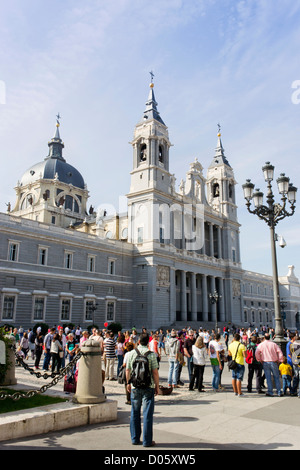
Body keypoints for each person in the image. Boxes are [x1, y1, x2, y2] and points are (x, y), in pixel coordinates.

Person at [126, 333, 159, 448]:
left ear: (138, 341)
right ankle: (147, 441)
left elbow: (127, 370)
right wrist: (157, 386)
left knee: (134, 413)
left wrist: (128, 383)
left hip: (135, 386)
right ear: (148, 342)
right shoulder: (151, 355)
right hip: (148, 387)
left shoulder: (131, 353)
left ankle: (134, 439)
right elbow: (155, 372)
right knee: (147, 414)